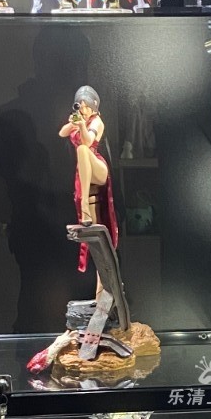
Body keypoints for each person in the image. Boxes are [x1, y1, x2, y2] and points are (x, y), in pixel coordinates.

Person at [59, 84, 118, 278]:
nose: (83, 109)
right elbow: (62, 133)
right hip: (84, 172)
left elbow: (87, 142)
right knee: (97, 247)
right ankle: (101, 285)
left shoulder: (96, 122)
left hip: (98, 168)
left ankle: (84, 202)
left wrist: (82, 125)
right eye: (80, 105)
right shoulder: (80, 119)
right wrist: (73, 122)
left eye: (86, 106)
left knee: (83, 149)